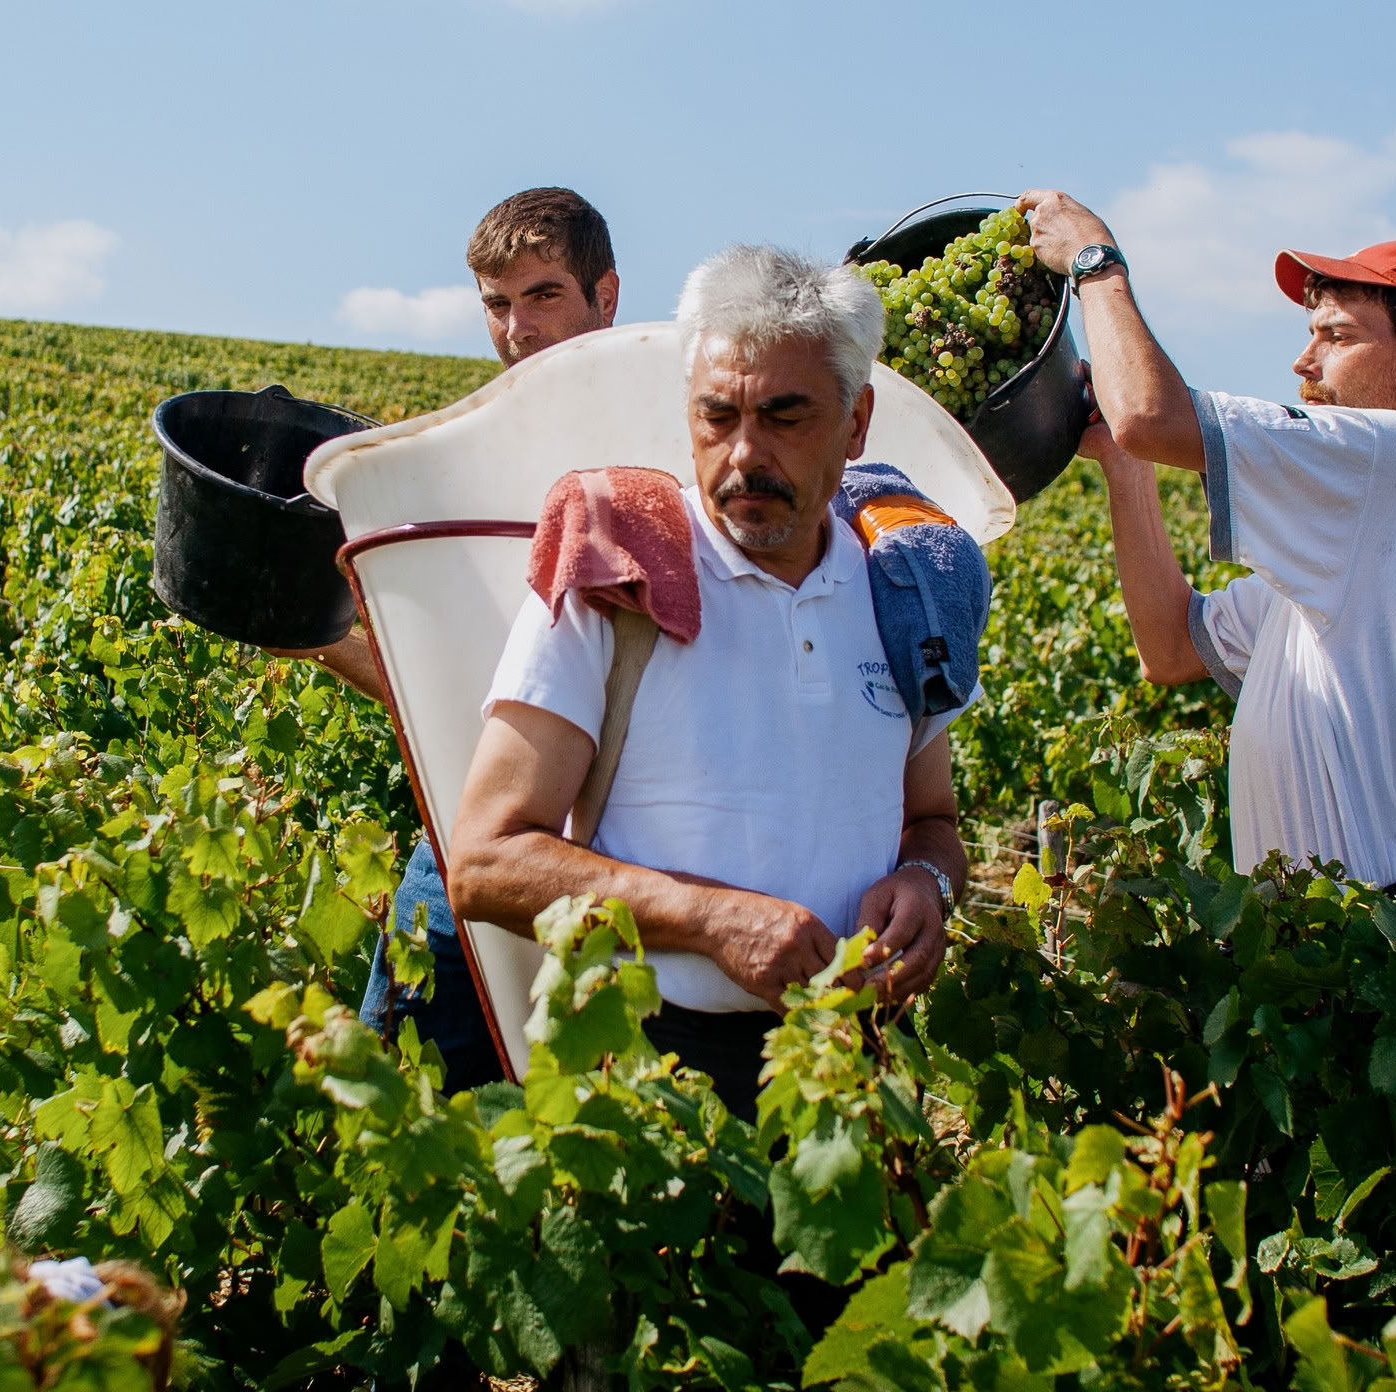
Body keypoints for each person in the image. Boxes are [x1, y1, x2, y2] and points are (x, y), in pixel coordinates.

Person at [446, 245, 973, 1120]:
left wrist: (927, 882)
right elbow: (485, 861)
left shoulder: (902, 593)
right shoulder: (620, 581)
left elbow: (936, 823)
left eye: (785, 417)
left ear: (856, 423)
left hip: (852, 1075)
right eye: (717, 416)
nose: (744, 455)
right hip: (654, 1085)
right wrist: (710, 920)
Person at [1015, 189, 1396, 897]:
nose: (1304, 362)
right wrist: (1126, 464)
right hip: (1319, 927)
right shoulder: (1361, 520)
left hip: (1366, 925)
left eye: (1336, 337)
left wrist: (1096, 263)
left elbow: (1148, 413)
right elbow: (1172, 648)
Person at [273, 187, 621, 1088]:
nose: (517, 329)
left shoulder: (668, 444)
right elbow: (455, 687)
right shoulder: (468, 466)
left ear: (606, 296)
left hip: (630, 851)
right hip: (471, 836)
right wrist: (314, 637)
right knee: (400, 1096)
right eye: (496, 305)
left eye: (543, 295)